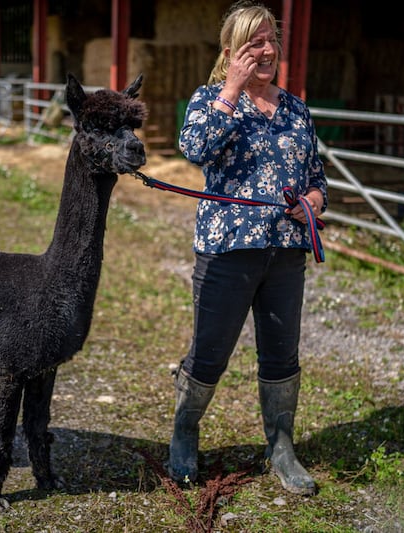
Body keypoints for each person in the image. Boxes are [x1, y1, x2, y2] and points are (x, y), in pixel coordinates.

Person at [169, 0, 327, 496]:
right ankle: (184, 433)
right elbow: (194, 149)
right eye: (253, 42)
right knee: (210, 353)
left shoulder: (297, 109)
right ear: (230, 52)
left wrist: (313, 202)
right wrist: (231, 92)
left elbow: (318, 179)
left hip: (285, 252)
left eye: (270, 40)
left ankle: (281, 449)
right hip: (227, 250)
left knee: (281, 354)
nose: (266, 49)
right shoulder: (211, 98)